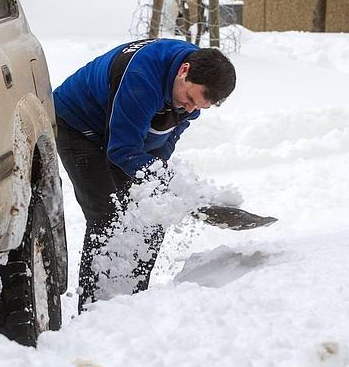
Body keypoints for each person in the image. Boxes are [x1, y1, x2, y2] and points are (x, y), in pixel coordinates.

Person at [53, 38, 236, 312]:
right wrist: (164, 180)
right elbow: (122, 150)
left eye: (198, 107)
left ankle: (132, 306)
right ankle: (93, 312)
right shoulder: (142, 78)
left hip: (121, 131)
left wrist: (157, 184)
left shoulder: (190, 93)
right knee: (107, 215)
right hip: (79, 126)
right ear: (183, 70)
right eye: (188, 100)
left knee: (152, 211)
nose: (189, 110)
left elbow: (164, 142)